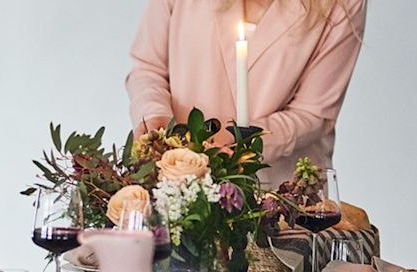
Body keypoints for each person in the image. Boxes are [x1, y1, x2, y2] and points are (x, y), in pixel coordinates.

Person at [126, 0, 366, 188]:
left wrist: (240, 140)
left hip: (280, 194)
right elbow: (148, 68)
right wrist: (155, 115)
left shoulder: (341, 4)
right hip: (177, 180)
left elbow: (314, 114)